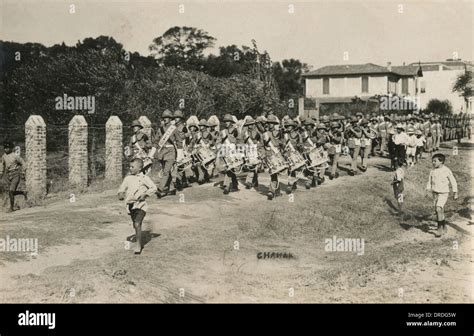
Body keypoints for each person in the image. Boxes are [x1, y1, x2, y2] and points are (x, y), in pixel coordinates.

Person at [118, 158, 157, 254]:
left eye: (132, 167)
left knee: (137, 223)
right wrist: (120, 195)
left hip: (140, 205)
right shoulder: (127, 178)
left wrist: (145, 194)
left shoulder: (144, 178)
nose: (130, 168)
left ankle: (138, 245)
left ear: (139, 168)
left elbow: (153, 188)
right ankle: (138, 236)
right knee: (135, 225)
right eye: (130, 166)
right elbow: (121, 189)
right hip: (130, 205)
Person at [425, 153, 458, 238]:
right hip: (435, 193)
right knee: (439, 211)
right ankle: (444, 226)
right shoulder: (432, 171)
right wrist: (427, 190)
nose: (433, 162)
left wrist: (455, 192)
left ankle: (439, 229)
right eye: (432, 161)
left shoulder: (446, 170)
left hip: (443, 193)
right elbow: (429, 181)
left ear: (441, 161)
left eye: (435, 161)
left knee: (438, 208)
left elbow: (453, 181)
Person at [1, 141, 27, 212]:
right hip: (9, 176)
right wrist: (1, 173)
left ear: (11, 148)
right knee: (11, 192)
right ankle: (23, 192)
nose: (6, 149)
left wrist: (23, 171)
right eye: (5, 148)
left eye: (7, 148)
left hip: (16, 174)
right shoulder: (3, 156)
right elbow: (2, 166)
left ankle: (11, 208)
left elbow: (22, 162)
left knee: (11, 191)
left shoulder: (15, 155)